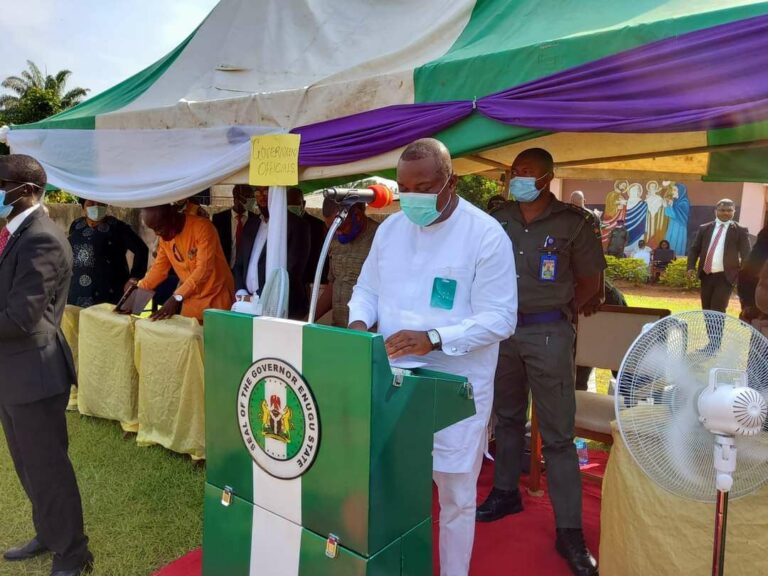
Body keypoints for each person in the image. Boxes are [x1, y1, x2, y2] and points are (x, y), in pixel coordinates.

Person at [348, 138, 517, 576]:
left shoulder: (484, 234)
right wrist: (359, 327)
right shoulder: (389, 229)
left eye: (424, 187)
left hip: (454, 385)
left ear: (450, 182)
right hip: (391, 378)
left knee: (456, 495)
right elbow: (367, 289)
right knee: (390, 485)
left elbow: (501, 318)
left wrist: (436, 337)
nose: (413, 198)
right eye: (404, 188)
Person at [479, 148, 604, 576]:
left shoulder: (574, 222)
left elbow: (590, 282)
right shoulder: (498, 217)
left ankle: (569, 530)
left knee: (558, 436)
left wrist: (559, 309)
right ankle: (505, 491)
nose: (520, 178)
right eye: (515, 172)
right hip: (503, 331)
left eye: (528, 173)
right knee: (508, 417)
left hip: (549, 333)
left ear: (548, 178)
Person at [0, 154, 93, 576]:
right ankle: (48, 532)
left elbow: (23, 316)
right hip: (13, 375)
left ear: (26, 191)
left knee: (49, 470)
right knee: (27, 466)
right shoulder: (15, 233)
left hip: (35, 375)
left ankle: (73, 554)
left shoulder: (43, 238)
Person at [130, 204, 234, 323]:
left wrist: (177, 297)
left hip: (216, 302)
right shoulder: (165, 239)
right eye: (153, 229)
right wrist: (136, 293)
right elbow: (158, 270)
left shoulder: (202, 227)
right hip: (190, 303)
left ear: (173, 215)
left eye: (160, 227)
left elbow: (204, 270)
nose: (157, 233)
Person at [233, 186, 311, 320]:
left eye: (266, 191)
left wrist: (257, 297)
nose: (262, 196)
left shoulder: (297, 225)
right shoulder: (251, 224)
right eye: (258, 191)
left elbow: (292, 271)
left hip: (281, 308)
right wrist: (242, 292)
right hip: (247, 305)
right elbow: (239, 264)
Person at [67, 199, 148, 307]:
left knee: (106, 321)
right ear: (83, 207)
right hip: (78, 291)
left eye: (100, 204)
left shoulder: (118, 227)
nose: (96, 207)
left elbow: (141, 249)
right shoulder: (76, 225)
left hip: (110, 291)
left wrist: (134, 277)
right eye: (91, 204)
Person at [313, 198, 378, 327]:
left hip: (369, 333)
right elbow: (334, 283)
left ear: (357, 216)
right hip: (340, 328)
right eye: (332, 228)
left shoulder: (379, 237)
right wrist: (308, 320)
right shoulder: (335, 239)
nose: (337, 232)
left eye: (341, 227)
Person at [687, 199, 750, 314]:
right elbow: (694, 249)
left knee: (717, 309)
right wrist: (690, 267)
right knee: (706, 309)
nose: (726, 213)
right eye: (722, 210)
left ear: (734, 211)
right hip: (706, 275)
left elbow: (746, 254)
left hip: (726, 277)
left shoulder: (740, 230)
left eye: (729, 210)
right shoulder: (704, 228)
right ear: (716, 211)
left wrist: (742, 275)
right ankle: (710, 333)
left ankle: (716, 332)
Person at [287, 187, 328, 291]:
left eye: (295, 203)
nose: (291, 207)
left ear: (303, 204)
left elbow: (322, 255)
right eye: (288, 204)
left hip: (311, 281)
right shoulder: (282, 224)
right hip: (289, 280)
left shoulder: (318, 226)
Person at [212, 184, 258, 269]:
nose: (249, 203)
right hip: (224, 269)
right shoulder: (219, 219)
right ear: (235, 198)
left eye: (251, 199)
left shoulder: (256, 220)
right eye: (245, 199)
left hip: (247, 270)